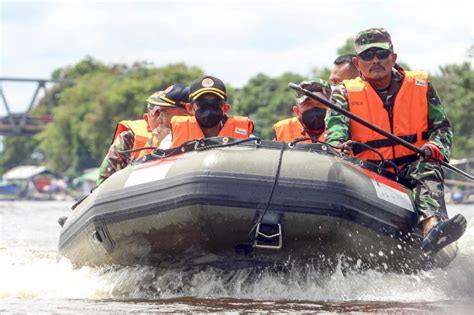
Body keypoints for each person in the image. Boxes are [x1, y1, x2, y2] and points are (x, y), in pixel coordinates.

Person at [325, 28, 466, 254]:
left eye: (381, 54)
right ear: (357, 61)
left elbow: (442, 128)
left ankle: (432, 228)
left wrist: (436, 146)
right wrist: (338, 145)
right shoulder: (344, 93)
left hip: (414, 166)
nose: (375, 61)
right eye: (367, 55)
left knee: (428, 169)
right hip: (370, 172)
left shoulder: (421, 86)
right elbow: (335, 131)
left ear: (393, 57)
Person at [97, 84, 189, 185]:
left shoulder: (191, 131)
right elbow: (103, 184)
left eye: (165, 113)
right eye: (157, 113)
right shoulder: (128, 140)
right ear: (147, 119)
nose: (160, 119)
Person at [169, 75, 254, 148]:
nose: (209, 107)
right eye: (202, 103)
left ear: (225, 108)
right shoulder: (170, 139)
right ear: (190, 108)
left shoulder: (248, 139)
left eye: (216, 103)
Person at [273, 78, 331, 143]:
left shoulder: (341, 130)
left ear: (332, 107)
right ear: (296, 111)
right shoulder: (282, 130)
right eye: (307, 103)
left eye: (320, 103)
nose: (315, 108)